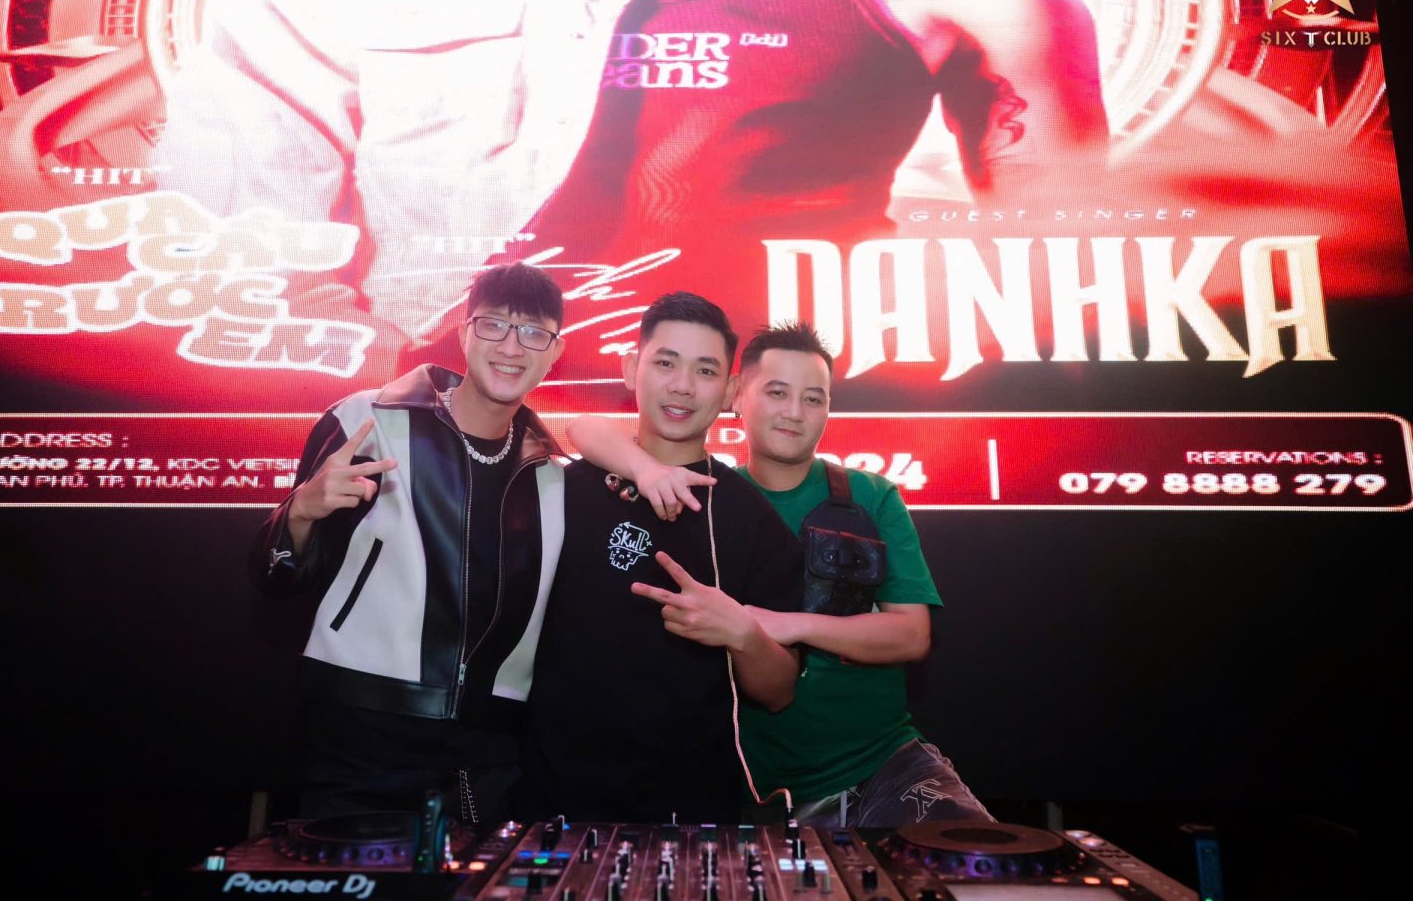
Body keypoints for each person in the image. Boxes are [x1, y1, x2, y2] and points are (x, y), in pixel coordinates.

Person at [154, 0, 1107, 376]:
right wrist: (413, 429)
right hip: (473, 455)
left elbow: (1065, 279)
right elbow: (241, 278)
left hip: (783, 450)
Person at [566, 320, 990, 826]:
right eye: (777, 392)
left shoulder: (869, 496)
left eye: (813, 399)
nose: (794, 412)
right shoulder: (707, 500)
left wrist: (788, 624)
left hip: (884, 764)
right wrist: (643, 469)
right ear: (737, 397)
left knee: (977, 861)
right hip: (760, 789)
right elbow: (586, 430)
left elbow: (912, 635)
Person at [250, 262, 569, 823]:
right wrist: (301, 510)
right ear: (465, 333)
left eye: (532, 332)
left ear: (554, 353)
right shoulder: (368, 420)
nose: (511, 346)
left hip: (487, 755)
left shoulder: (556, 476)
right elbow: (276, 579)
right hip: (361, 738)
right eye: (494, 324)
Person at [522, 291, 805, 823]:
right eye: (666, 363)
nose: (683, 385)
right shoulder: (561, 490)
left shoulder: (751, 521)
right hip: (553, 804)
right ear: (632, 369)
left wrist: (742, 633)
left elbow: (779, 693)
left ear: (730, 391)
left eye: (705, 370)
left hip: (692, 812)